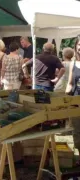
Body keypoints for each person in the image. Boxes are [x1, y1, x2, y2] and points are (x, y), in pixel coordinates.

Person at [66, 36, 80, 164]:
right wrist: (65, 98)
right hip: (75, 101)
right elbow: (70, 83)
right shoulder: (73, 64)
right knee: (76, 129)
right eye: (79, 44)